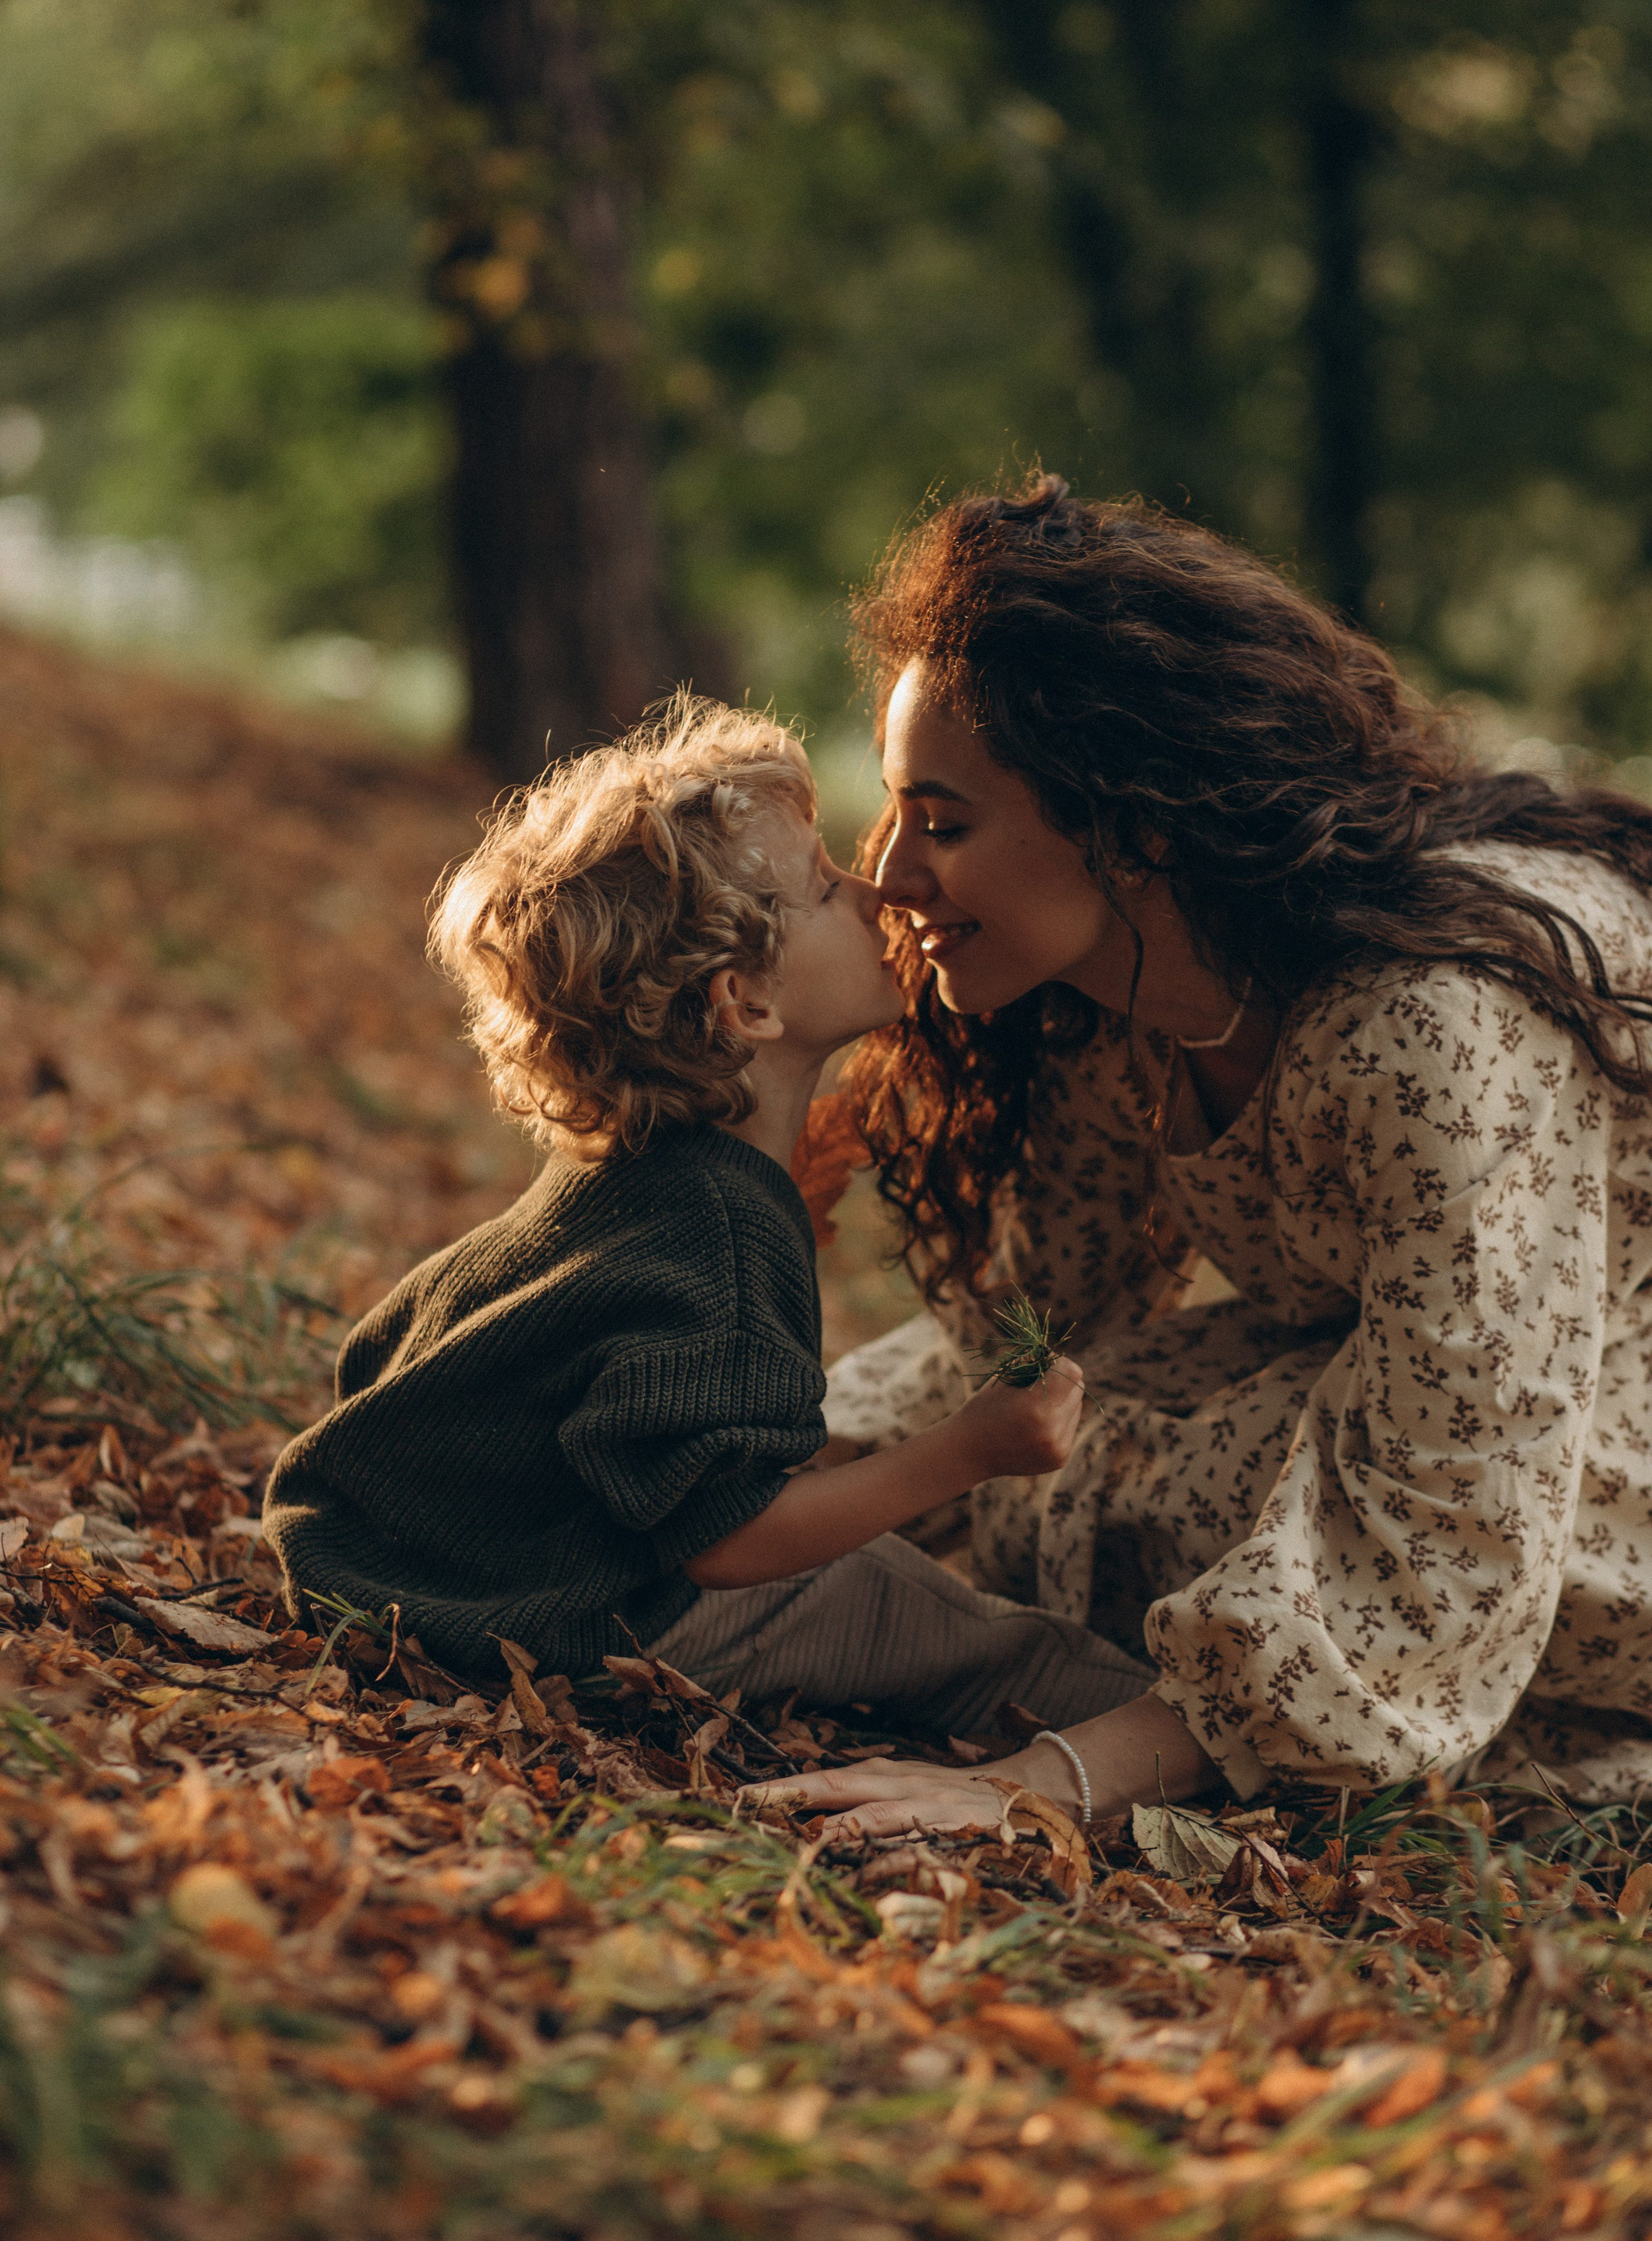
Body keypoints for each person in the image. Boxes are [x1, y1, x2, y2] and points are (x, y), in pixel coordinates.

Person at [756, 474, 1652, 1845]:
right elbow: (1025, 1342)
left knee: (1171, 1484)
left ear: (1135, 825)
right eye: (894, 815)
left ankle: (1463, 1730)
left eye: (941, 823)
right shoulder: (1101, 1000)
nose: (884, 875)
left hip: (1582, 1409)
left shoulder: (1433, 1034)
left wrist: (1035, 1784)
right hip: (1447, 1382)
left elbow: (1442, 1522)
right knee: (1069, 1444)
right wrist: (704, 1484)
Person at [263, 696, 1150, 1740]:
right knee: (940, 1618)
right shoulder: (724, 1232)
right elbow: (725, 1545)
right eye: (824, 889)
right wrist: (965, 1451)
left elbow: (384, 1356)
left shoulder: (612, 1185)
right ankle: (1178, 1734)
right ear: (745, 1005)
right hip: (595, 1628)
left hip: (382, 1583)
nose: (874, 894)